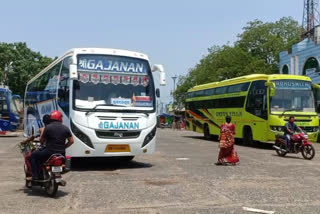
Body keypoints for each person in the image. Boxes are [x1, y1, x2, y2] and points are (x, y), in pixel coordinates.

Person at [30, 110, 74, 180]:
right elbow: (71, 141)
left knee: (33, 156)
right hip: (61, 153)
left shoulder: (48, 128)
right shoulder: (66, 128)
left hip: (49, 152)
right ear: (60, 119)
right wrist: (64, 146)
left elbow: (42, 140)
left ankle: (36, 175)